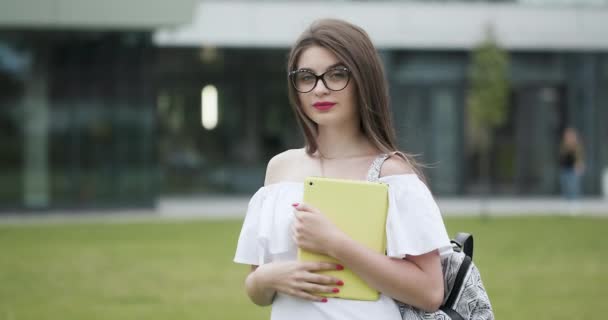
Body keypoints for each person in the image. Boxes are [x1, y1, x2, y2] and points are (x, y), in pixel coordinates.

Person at [233, 19, 452, 320]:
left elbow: (429, 292)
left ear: (364, 79)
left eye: (337, 74)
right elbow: (256, 288)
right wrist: (267, 278)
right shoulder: (280, 169)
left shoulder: (393, 175)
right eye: (306, 77)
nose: (320, 89)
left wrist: (333, 243)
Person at [559, 127, 584, 200]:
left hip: (573, 169)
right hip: (564, 169)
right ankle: (566, 202)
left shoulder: (577, 146)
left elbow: (579, 157)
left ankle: (575, 202)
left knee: (574, 187)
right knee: (565, 187)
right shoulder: (564, 145)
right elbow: (562, 156)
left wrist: (579, 166)